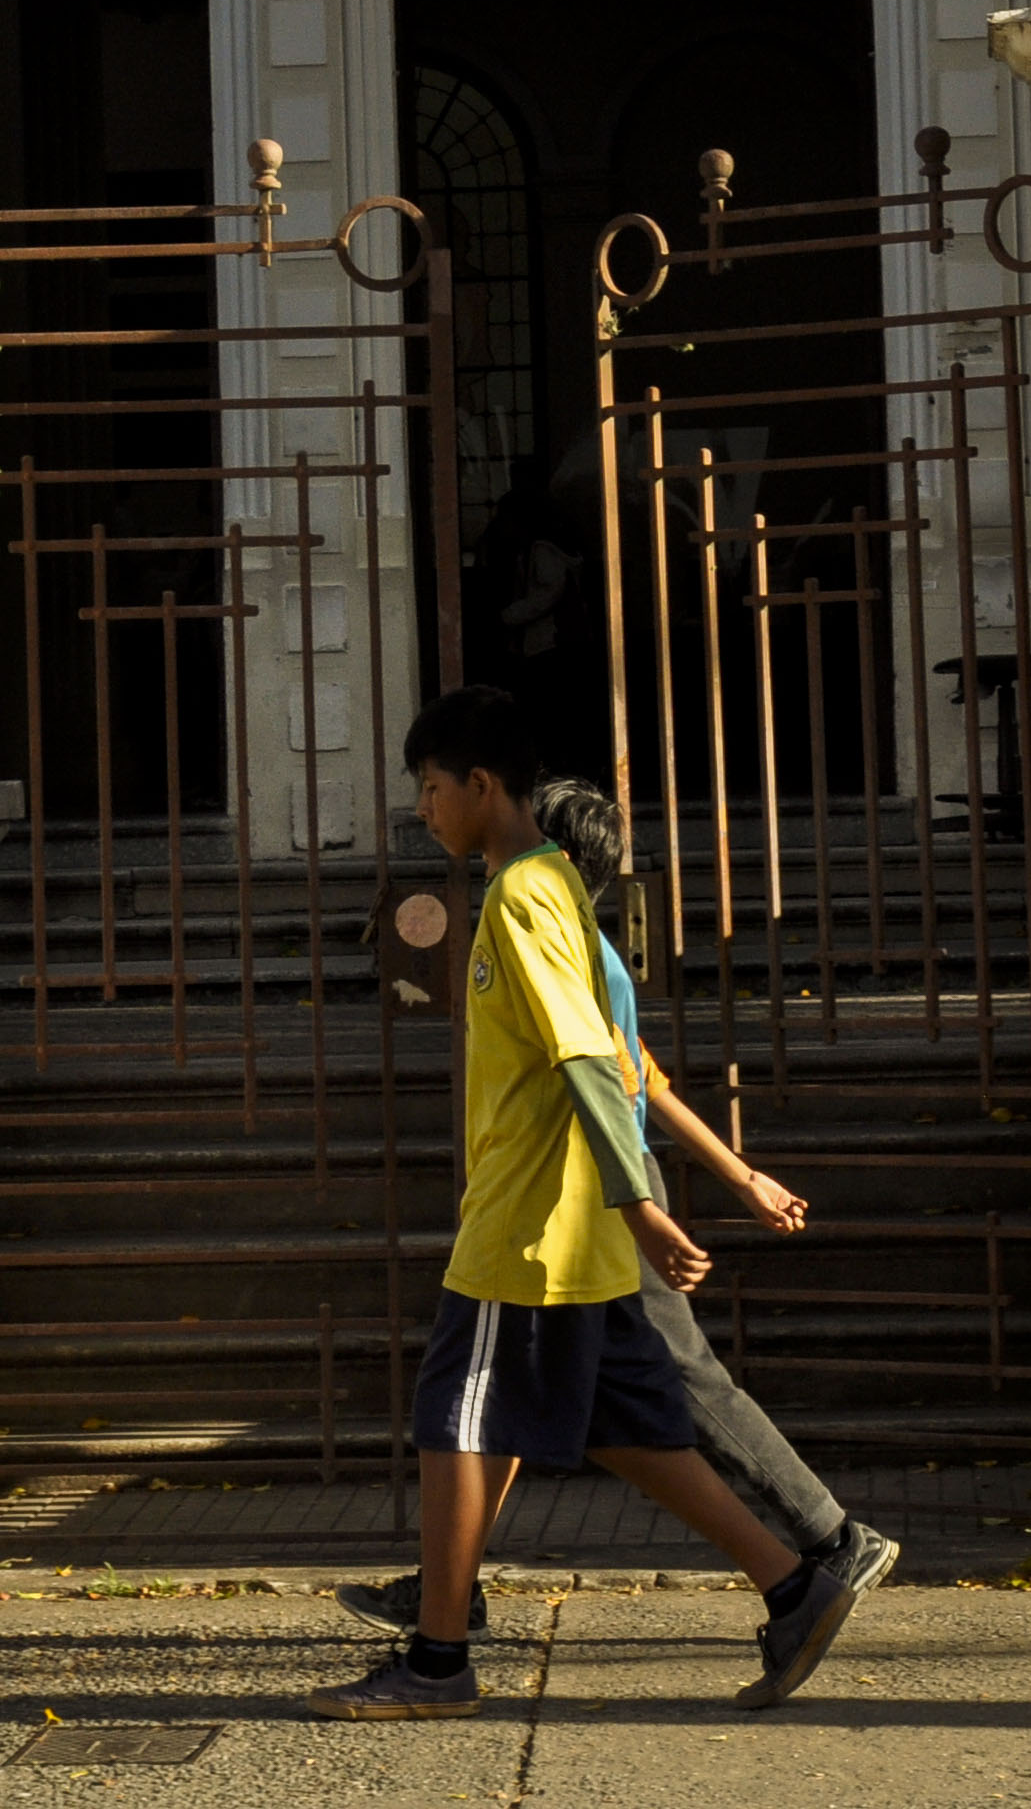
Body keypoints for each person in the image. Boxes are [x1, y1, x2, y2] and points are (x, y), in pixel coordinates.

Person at [303, 689, 859, 1725]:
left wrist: (640, 1201)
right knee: (623, 1424)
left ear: (481, 786)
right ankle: (793, 1585)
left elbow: (591, 1062)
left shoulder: (521, 896)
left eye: (431, 788)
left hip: (530, 1226)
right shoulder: (549, 887)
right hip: (567, 1228)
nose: (421, 808)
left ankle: (436, 1661)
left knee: (455, 1421)